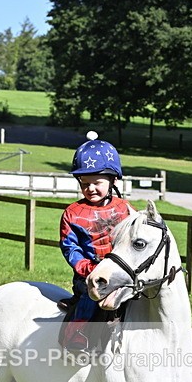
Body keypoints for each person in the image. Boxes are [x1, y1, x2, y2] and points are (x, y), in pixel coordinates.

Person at [59, 133, 135, 352]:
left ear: (113, 180)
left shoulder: (125, 209)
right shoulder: (72, 214)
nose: (90, 189)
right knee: (90, 298)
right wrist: (87, 268)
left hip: (123, 273)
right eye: (85, 184)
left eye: (96, 183)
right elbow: (69, 247)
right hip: (90, 275)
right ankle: (77, 338)